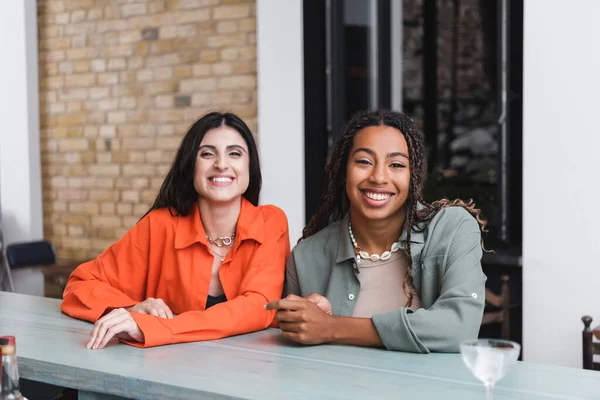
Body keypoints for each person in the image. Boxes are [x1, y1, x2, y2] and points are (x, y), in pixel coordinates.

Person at [62, 111, 290, 349]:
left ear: (249, 166)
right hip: (167, 370)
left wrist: (151, 328)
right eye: (207, 154)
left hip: (252, 373)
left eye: (234, 153)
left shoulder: (270, 222)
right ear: (190, 165)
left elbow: (259, 307)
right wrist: (129, 309)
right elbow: (79, 286)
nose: (221, 164)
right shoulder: (159, 225)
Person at [265, 109, 487, 353]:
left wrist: (331, 327)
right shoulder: (307, 257)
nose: (379, 176)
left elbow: (459, 328)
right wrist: (301, 324)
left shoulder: (451, 229)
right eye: (364, 161)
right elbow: (290, 351)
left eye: (396, 164)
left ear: (413, 176)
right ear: (343, 171)